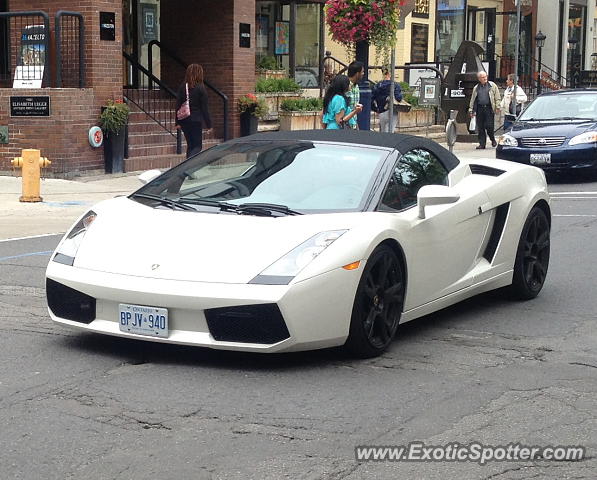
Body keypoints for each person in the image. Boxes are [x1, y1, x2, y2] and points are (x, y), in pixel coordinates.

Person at [175, 63, 212, 158]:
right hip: (196, 120)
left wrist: (177, 122)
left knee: (190, 145)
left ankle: (187, 167)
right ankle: (188, 165)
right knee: (197, 146)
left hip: (184, 120)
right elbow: (205, 108)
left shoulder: (183, 86)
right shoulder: (201, 88)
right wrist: (209, 125)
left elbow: (178, 105)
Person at [469, 71, 501, 149]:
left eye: (485, 76)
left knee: (489, 126)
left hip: (489, 108)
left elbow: (497, 97)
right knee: (481, 127)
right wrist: (471, 110)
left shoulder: (492, 86)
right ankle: (482, 144)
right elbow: (473, 99)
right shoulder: (476, 88)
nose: (485, 78)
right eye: (483, 77)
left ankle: (492, 139)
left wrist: (498, 107)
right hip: (480, 108)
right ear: (479, 79)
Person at [372, 67, 403, 133]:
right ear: (390, 73)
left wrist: (376, 109)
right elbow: (399, 98)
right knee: (390, 132)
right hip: (392, 111)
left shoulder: (377, 86)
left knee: (383, 132)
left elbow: (371, 100)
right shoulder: (395, 85)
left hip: (381, 111)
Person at [346, 61, 365, 129]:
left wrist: (356, 124)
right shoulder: (345, 86)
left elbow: (353, 107)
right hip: (345, 124)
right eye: (362, 72)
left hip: (353, 123)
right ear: (357, 73)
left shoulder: (356, 86)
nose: (363, 74)